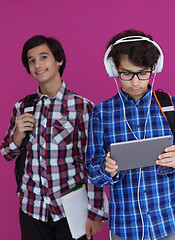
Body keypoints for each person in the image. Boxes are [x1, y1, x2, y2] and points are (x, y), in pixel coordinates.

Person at [85, 29, 175, 240]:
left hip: (171, 221)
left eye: (143, 73)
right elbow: (92, 173)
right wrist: (105, 169)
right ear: (114, 69)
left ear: (153, 69)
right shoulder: (101, 113)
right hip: (125, 227)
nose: (135, 82)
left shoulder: (173, 106)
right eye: (127, 73)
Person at [1, 35, 108, 240]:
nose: (37, 65)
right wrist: (17, 136)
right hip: (32, 209)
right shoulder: (22, 106)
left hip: (70, 213)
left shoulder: (81, 107)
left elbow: (93, 163)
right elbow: (7, 153)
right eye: (31, 60)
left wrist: (96, 213)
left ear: (59, 60)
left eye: (43, 57)